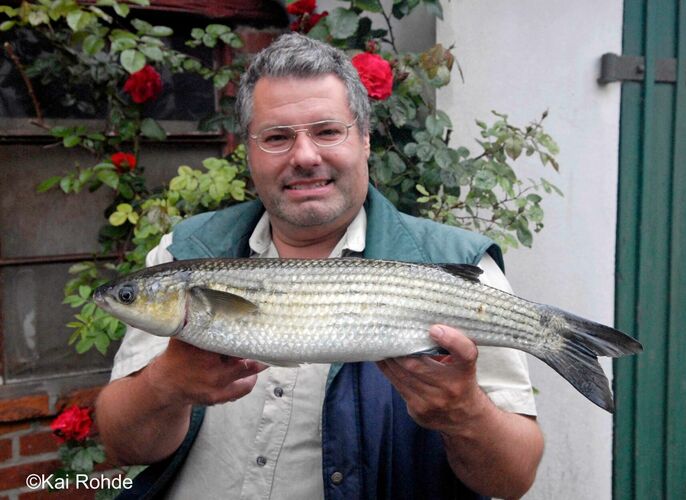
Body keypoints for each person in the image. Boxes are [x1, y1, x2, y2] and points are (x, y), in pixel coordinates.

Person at [95, 33, 544, 499]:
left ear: (365, 140)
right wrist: (164, 385)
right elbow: (124, 445)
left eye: (328, 132)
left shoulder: (458, 266)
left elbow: (512, 479)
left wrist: (465, 413)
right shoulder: (184, 252)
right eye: (276, 137)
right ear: (248, 152)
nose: (305, 156)